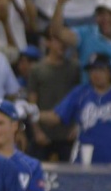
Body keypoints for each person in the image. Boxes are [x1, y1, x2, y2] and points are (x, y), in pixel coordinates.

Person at [35, 52, 111, 164]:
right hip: (88, 160)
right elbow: (56, 117)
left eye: (100, 69)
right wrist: (33, 113)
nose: (95, 73)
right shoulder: (81, 92)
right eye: (92, 69)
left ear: (109, 71)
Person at [26, 27, 81, 161]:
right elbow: (31, 102)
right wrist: (37, 131)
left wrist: (77, 126)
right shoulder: (37, 69)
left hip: (68, 133)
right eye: (57, 40)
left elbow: (80, 99)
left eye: (64, 41)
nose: (62, 44)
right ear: (47, 42)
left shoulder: (75, 68)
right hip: (43, 133)